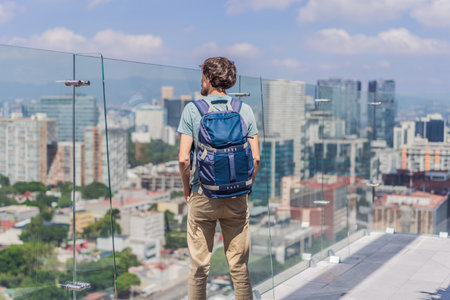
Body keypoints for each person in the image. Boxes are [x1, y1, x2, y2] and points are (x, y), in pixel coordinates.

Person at [177, 57, 260, 300]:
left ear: (209, 78)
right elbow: (255, 159)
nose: (200, 80)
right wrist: (246, 187)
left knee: (199, 267)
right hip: (237, 195)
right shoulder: (244, 110)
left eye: (202, 75)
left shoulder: (193, 110)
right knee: (239, 265)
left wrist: (187, 190)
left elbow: (183, 159)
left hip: (204, 193)